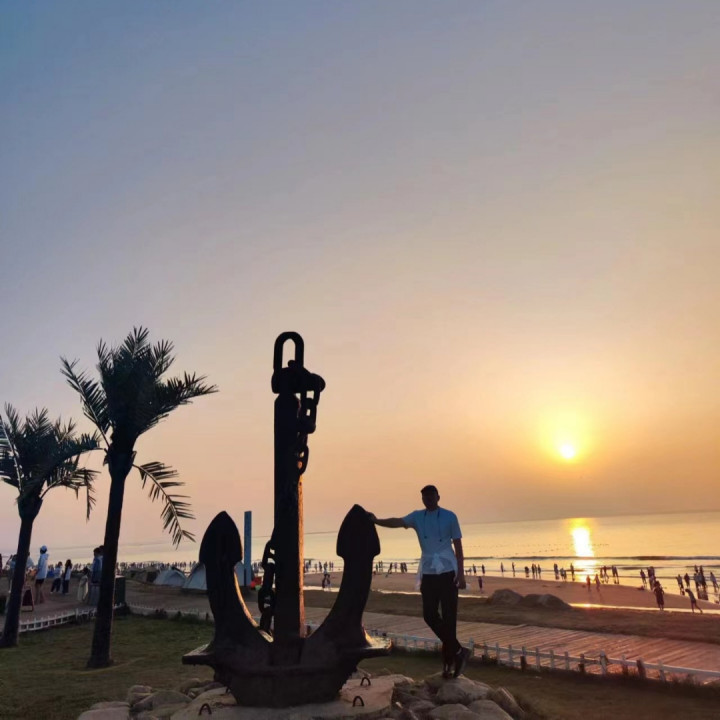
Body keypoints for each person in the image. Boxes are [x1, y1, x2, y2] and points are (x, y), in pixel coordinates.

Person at [369, 484, 469, 679]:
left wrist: (462, 574)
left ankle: (449, 664)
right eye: (425, 497)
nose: (428, 500)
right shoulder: (417, 517)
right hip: (429, 573)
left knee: (449, 619)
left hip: (448, 572)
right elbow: (397, 522)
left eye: (431, 496)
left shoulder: (450, 516)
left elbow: (458, 546)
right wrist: (376, 521)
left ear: (438, 497)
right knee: (429, 615)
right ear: (422, 499)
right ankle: (459, 651)